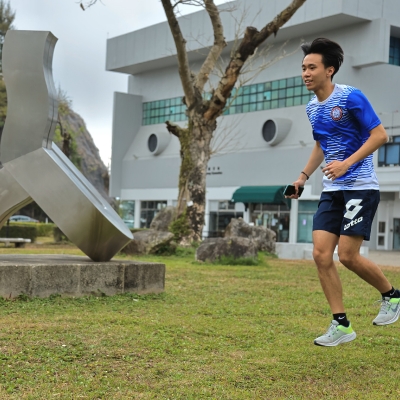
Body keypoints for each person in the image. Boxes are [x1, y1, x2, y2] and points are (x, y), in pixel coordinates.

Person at [288, 38, 400, 347]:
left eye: (312, 67)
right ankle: (342, 324)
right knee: (321, 254)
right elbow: (321, 145)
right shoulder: (312, 108)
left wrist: (346, 164)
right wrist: (302, 177)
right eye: (303, 68)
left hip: (360, 187)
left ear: (330, 70)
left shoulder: (351, 97)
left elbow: (380, 135)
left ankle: (392, 296)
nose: (305, 73)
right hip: (332, 190)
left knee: (348, 256)